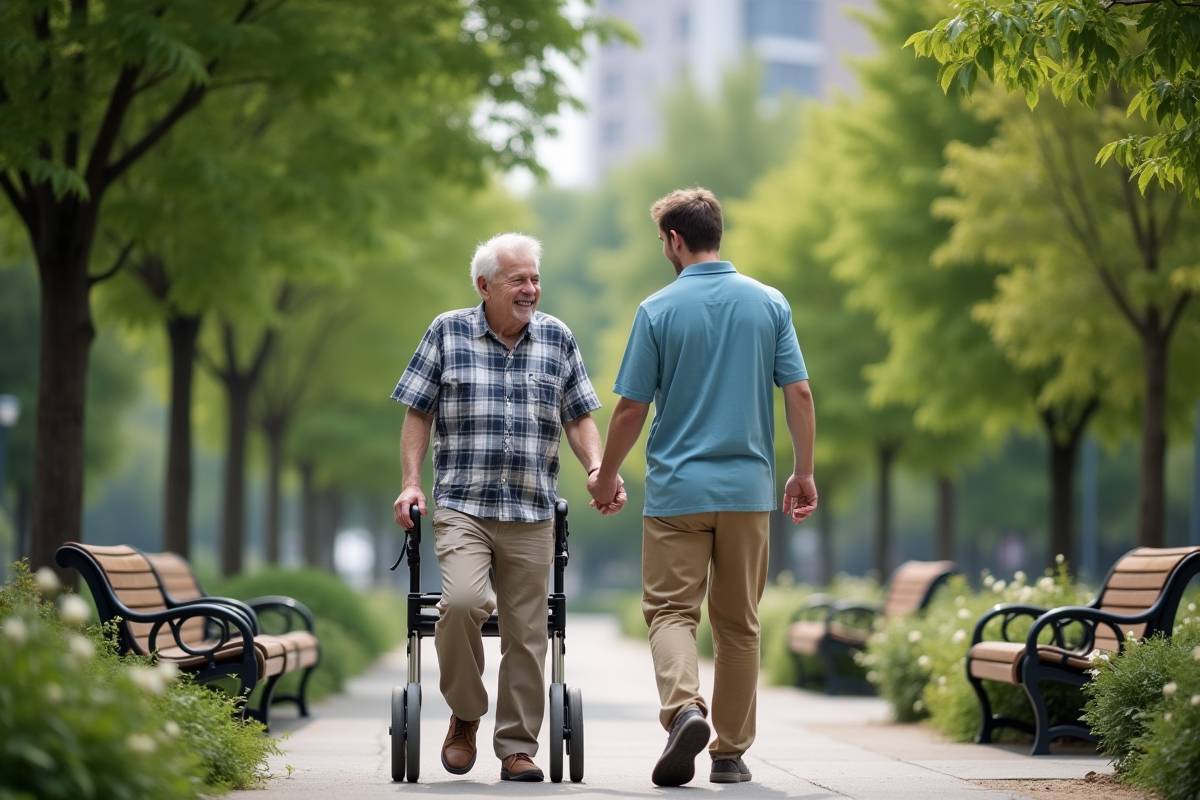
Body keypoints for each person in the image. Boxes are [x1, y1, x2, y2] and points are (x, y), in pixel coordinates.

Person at [587, 187, 817, 787]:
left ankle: (685, 708)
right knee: (739, 623)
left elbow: (632, 408)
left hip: (677, 493)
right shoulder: (770, 303)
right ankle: (730, 753)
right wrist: (803, 472)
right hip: (747, 491)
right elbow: (799, 393)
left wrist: (607, 474)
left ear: (674, 240)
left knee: (669, 613)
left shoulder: (658, 310)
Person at [391, 232, 623, 782]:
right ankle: (466, 715)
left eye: (535, 279)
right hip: (463, 505)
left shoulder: (557, 339)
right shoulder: (447, 331)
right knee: (464, 603)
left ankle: (517, 747)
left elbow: (579, 415)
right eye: (518, 279)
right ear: (484, 285)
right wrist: (410, 482)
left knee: (527, 631)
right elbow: (418, 412)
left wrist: (596, 468)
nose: (530, 289)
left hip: (532, 510)